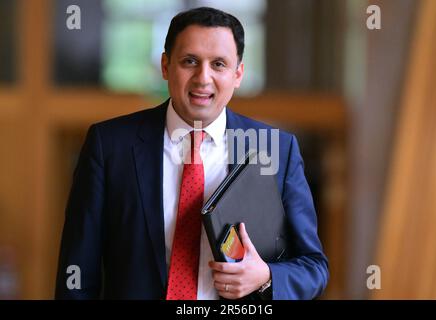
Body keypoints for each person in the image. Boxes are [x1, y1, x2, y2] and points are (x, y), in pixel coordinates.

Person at [55, 7, 328, 300]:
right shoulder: (108, 146)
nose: (203, 78)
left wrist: (266, 277)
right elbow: (77, 271)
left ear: (238, 74)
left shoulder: (276, 151)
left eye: (219, 64)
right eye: (190, 61)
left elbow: (314, 269)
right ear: (165, 65)